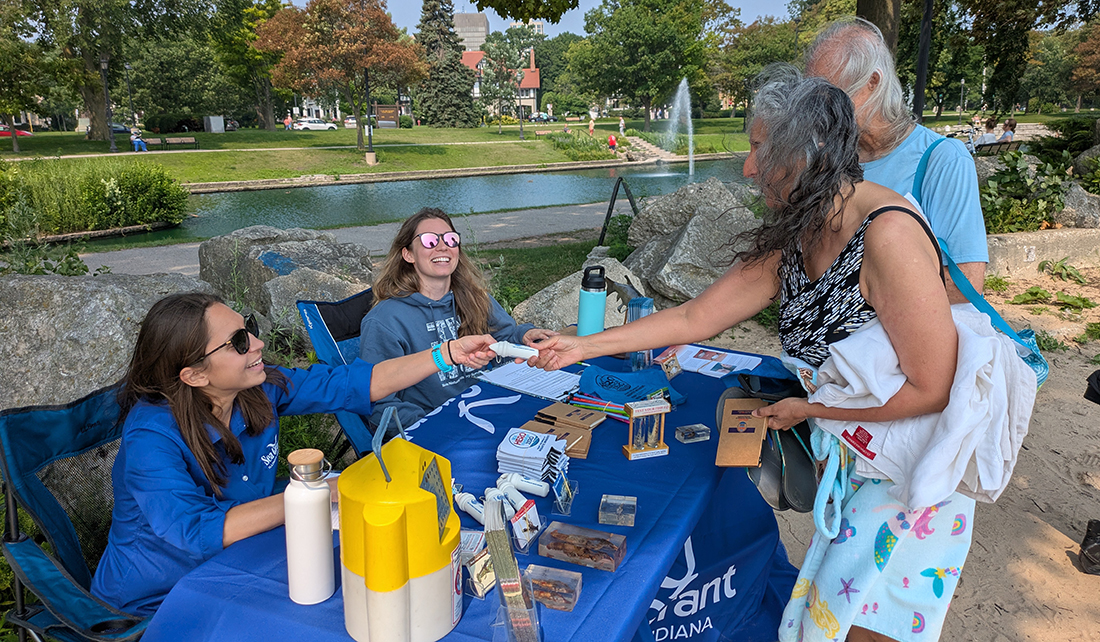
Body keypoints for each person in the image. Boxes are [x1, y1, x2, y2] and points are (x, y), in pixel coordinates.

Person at [531, 67, 971, 642]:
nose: (746, 166)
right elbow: (694, 317)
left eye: (759, 147)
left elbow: (933, 389)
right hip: (858, 462)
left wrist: (812, 413)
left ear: (805, 152)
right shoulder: (803, 229)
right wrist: (581, 345)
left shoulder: (887, 234)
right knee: (825, 621)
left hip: (912, 477)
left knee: (856, 628)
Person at [90, 292, 498, 615]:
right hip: (159, 600)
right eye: (238, 342)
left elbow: (353, 383)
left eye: (247, 328)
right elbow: (198, 532)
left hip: (246, 560)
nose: (258, 343)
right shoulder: (151, 437)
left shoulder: (258, 388)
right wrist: (314, 492)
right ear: (194, 375)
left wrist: (447, 353)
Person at [804, 17, 987, 306]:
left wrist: (849, 306)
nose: (817, 112)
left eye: (830, 97)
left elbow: (965, 285)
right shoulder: (828, 160)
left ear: (872, 84)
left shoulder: (943, 160)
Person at [359, 208, 556, 432]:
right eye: (430, 240)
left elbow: (503, 339)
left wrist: (523, 336)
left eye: (451, 239)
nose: (443, 246)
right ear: (408, 254)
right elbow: (379, 403)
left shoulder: (474, 297)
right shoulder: (385, 320)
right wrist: (431, 426)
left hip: (491, 409)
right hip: (438, 428)